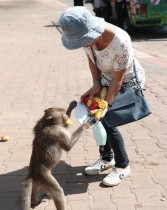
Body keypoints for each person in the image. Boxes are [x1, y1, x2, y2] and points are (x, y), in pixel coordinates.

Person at [58, 6, 145, 186]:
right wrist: (96, 84)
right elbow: (92, 60)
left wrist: (106, 104)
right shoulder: (87, 40)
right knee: (93, 116)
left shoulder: (120, 42)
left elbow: (118, 80)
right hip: (105, 79)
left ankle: (123, 167)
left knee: (108, 119)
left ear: (92, 30)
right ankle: (106, 158)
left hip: (125, 81)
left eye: (83, 40)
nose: (83, 44)